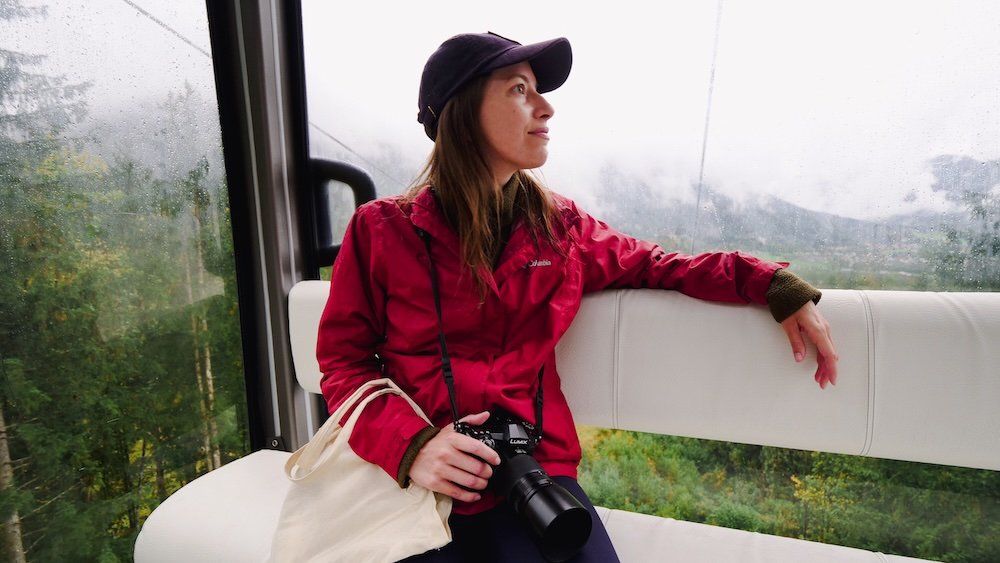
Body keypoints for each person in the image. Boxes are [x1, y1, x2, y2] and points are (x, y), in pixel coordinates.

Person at [317, 31, 838, 562]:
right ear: (462, 110)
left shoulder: (559, 229)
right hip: (413, 477)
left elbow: (659, 264)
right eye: (520, 89)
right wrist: (413, 446)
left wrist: (772, 283)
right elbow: (343, 362)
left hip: (533, 470)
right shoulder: (382, 230)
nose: (546, 107)